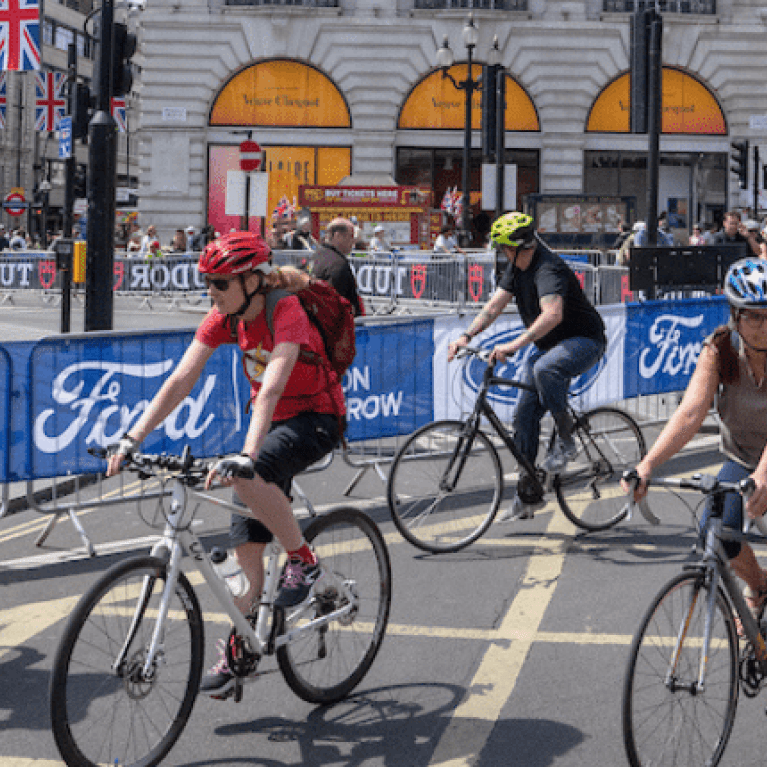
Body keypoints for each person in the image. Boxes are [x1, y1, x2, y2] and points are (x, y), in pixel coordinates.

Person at [105, 231, 345, 697]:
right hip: (272, 422)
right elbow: (181, 379)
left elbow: (273, 386)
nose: (210, 291)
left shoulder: (285, 309)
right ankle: (243, 650)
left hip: (316, 417)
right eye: (207, 282)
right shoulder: (225, 316)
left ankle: (304, 559)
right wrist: (133, 436)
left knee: (248, 476)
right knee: (246, 556)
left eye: (219, 282)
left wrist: (248, 455)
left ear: (253, 281)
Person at [624, 258, 767, 631]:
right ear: (735, 315)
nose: (764, 325)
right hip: (744, 458)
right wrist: (648, 465)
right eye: (754, 316)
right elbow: (690, 413)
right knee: (715, 532)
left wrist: (765, 473)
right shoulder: (719, 350)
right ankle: (759, 584)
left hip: (765, 464)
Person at [448, 211, 606, 521]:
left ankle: (565, 440)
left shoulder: (548, 269)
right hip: (550, 345)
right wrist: (466, 336)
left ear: (517, 247)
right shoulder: (517, 267)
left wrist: (512, 345)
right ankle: (529, 492)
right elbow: (494, 305)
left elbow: (553, 315)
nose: (500, 252)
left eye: (503, 247)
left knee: (545, 369)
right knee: (524, 416)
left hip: (584, 340)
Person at [309, 217, 363, 317]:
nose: (353, 242)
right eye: (350, 237)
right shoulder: (338, 264)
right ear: (338, 236)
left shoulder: (317, 256)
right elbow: (335, 303)